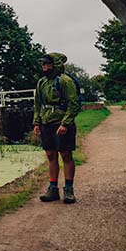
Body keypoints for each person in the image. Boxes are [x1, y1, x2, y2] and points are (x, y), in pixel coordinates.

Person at [32, 52, 81, 203]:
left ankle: (68, 190)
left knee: (66, 155)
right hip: (46, 123)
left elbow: (74, 104)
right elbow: (37, 104)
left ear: (55, 65)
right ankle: (53, 189)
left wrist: (65, 123)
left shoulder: (65, 81)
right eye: (43, 64)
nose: (44, 66)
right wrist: (36, 122)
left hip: (61, 124)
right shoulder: (41, 83)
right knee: (51, 156)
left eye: (47, 63)